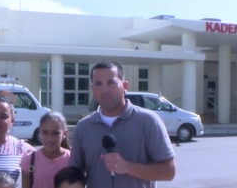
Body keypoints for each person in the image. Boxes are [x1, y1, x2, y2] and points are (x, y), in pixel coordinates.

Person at [69, 60, 176, 188]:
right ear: (92, 89)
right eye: (98, 84)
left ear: (125, 86)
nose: (105, 90)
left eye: (111, 83)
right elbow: (75, 172)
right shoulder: (83, 127)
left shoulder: (148, 121)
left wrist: (127, 167)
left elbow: (169, 172)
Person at [20, 111, 71, 188]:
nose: (49, 139)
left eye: (55, 133)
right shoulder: (29, 160)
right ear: (39, 132)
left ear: (64, 134)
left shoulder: (72, 160)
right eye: (45, 133)